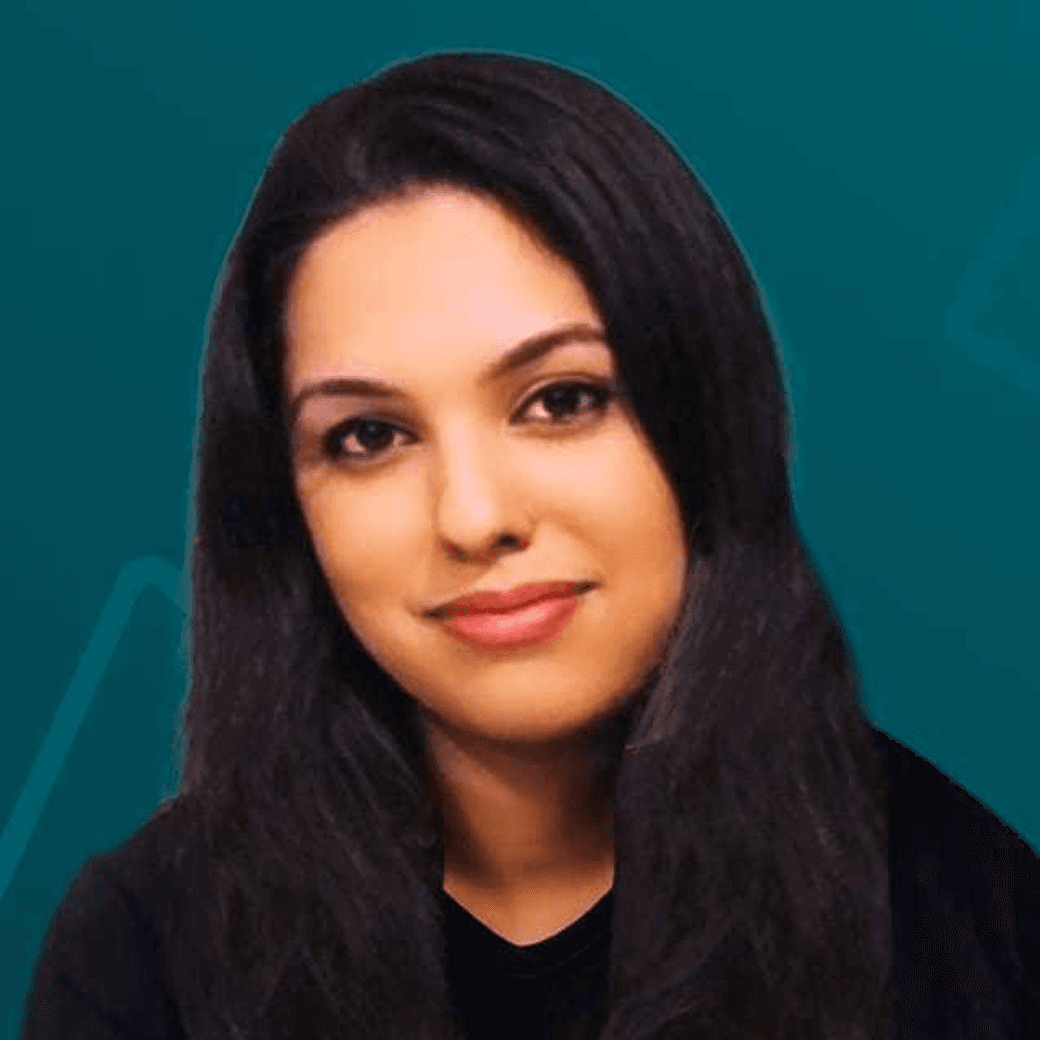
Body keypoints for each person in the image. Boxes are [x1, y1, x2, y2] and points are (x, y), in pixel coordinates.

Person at [20, 51, 1040, 1040]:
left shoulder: (975, 917)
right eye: (369, 436)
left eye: (561, 400)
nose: (472, 517)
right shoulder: (144, 955)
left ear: (710, 418)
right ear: (284, 507)